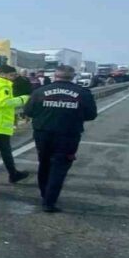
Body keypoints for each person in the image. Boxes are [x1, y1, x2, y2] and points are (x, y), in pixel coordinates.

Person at [24, 65, 97, 212]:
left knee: (44, 163)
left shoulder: (40, 91)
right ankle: (49, 202)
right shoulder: (83, 93)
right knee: (60, 167)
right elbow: (91, 115)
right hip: (68, 135)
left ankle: (45, 194)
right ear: (73, 76)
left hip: (43, 133)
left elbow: (29, 111)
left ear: (55, 76)